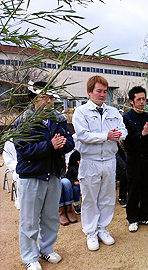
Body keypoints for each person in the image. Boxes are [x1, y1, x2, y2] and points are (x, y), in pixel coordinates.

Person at [14, 81, 74, 270]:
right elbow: (23, 150)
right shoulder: (23, 121)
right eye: (44, 98)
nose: (49, 101)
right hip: (32, 176)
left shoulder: (59, 119)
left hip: (53, 174)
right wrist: (50, 146)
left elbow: (70, 143)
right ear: (32, 99)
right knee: (29, 220)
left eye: (51, 97)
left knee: (50, 217)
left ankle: (46, 249)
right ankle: (30, 257)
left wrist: (61, 144)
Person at [72, 75, 128, 251]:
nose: (102, 94)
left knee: (107, 197)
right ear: (90, 92)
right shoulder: (81, 112)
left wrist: (118, 135)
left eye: (105, 91)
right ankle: (90, 232)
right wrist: (106, 136)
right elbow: (83, 135)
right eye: (99, 91)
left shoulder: (113, 112)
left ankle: (103, 228)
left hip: (109, 160)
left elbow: (123, 129)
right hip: (90, 160)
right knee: (90, 198)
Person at [123, 86, 148, 232]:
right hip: (134, 158)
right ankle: (132, 218)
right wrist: (142, 133)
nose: (142, 102)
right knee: (133, 188)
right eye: (138, 99)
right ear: (131, 101)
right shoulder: (126, 118)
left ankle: (145, 215)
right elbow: (126, 141)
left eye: (144, 99)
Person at [59, 150, 81, 226]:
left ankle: (69, 210)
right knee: (59, 184)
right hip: (50, 176)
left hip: (63, 176)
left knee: (66, 183)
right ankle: (61, 211)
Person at [3, 139, 20, 209]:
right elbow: (9, 161)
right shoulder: (9, 143)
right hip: (17, 169)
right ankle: (20, 199)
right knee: (20, 176)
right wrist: (20, 166)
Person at [116, 141, 128, 207]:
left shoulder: (126, 142)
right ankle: (122, 197)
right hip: (117, 167)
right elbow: (117, 157)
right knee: (125, 175)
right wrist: (126, 167)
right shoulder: (115, 143)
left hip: (128, 165)